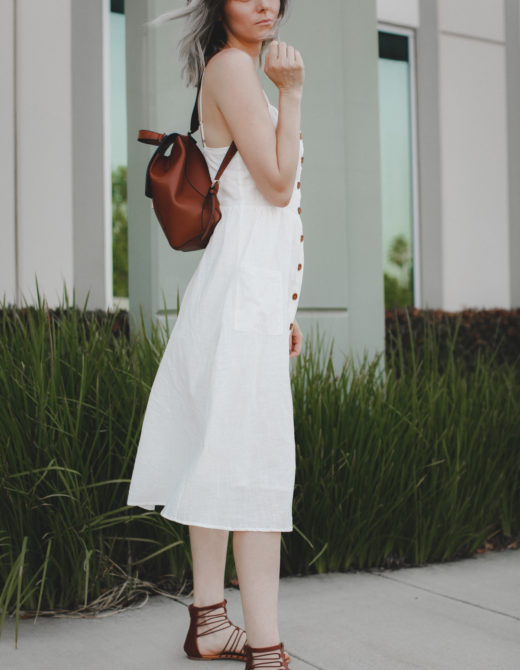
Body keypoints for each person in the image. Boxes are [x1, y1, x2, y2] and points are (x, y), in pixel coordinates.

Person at [127, 1, 305, 668]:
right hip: (240, 302)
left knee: (219, 458)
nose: (265, 2)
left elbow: (261, 215)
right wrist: (293, 96)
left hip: (241, 300)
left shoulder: (234, 70)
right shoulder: (235, 68)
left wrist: (281, 311)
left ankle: (210, 621)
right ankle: (268, 650)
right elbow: (280, 186)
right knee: (254, 471)